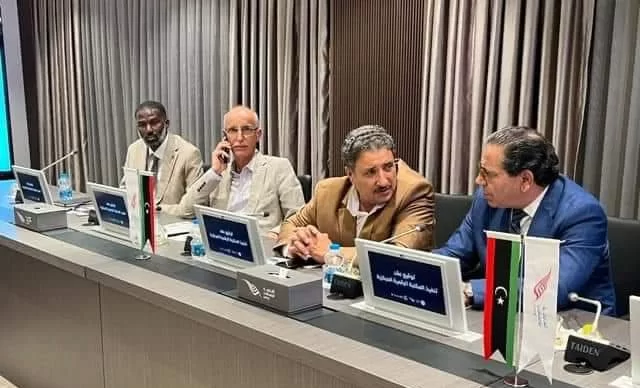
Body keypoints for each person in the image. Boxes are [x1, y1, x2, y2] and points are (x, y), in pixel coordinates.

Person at [434, 126, 616, 315]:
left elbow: (554, 288)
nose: (479, 180)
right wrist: (421, 271)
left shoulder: (582, 214)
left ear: (526, 180)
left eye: (488, 174)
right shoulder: (486, 201)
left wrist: (470, 291)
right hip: (504, 314)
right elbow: (454, 254)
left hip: (573, 321)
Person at [277, 124, 434, 264]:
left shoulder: (415, 192)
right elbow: (291, 224)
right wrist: (296, 246)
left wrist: (331, 253)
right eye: (371, 172)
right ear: (350, 174)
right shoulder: (327, 192)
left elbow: (399, 257)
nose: (383, 181)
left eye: (388, 167)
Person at [185, 105, 305, 234]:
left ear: (258, 135)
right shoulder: (218, 175)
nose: (240, 137)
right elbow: (186, 211)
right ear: (225, 136)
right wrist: (214, 172)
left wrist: (276, 233)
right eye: (233, 130)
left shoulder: (279, 168)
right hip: (223, 240)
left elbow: (298, 218)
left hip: (262, 240)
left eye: (246, 130)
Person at [123, 101, 203, 217]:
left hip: (174, 223)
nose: (149, 130)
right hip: (140, 222)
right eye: (142, 125)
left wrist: (153, 209)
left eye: (154, 123)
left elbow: (193, 207)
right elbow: (126, 190)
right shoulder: (134, 150)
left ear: (166, 124)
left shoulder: (189, 153)